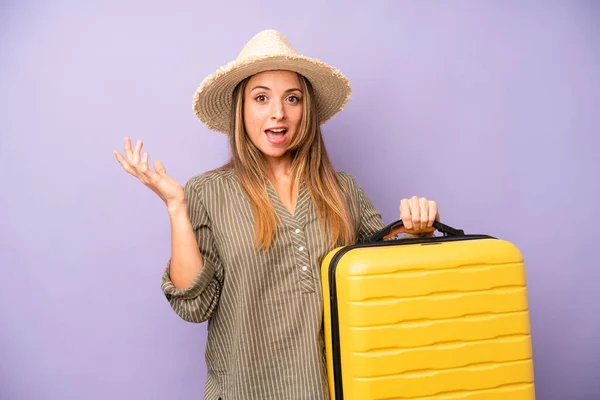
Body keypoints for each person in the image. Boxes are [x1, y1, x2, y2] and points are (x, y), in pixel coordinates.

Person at [113, 29, 440, 400]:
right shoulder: (207, 191)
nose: (278, 113)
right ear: (242, 109)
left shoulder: (342, 189)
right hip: (246, 389)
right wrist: (176, 207)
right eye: (261, 98)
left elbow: (385, 279)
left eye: (292, 98)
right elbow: (194, 304)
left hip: (337, 387)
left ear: (306, 109)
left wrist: (416, 231)